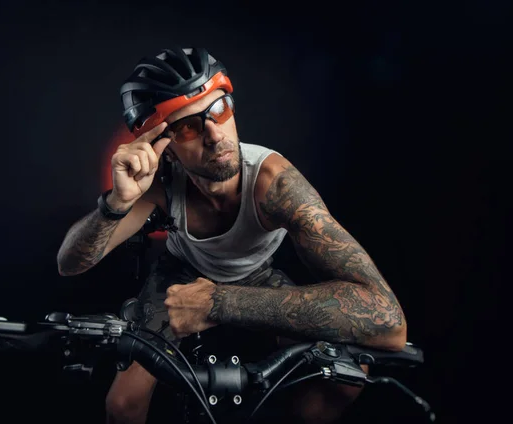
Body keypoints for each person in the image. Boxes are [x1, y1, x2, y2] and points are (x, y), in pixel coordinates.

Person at [56, 47, 407, 424]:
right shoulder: (158, 183)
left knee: (346, 380)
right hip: (180, 273)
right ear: (165, 146)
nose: (214, 134)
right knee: (123, 404)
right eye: (188, 126)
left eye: (219, 109)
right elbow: (70, 264)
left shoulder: (274, 184)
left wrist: (218, 302)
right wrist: (117, 202)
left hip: (257, 275)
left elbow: (389, 322)